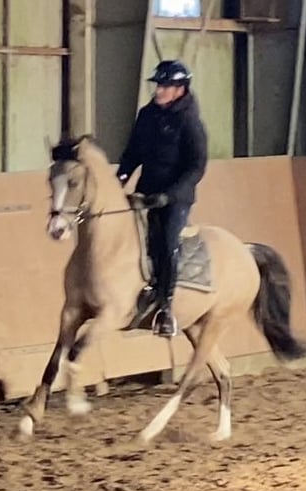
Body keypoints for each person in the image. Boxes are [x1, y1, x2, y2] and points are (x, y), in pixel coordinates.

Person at [117, 60, 208, 337]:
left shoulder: (190, 122)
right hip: (146, 191)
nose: (159, 90)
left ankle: (165, 307)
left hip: (175, 198)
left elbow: (196, 166)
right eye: (158, 85)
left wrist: (170, 196)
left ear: (180, 89)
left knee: (167, 242)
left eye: (165, 86)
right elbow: (132, 153)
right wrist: (120, 179)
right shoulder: (147, 115)